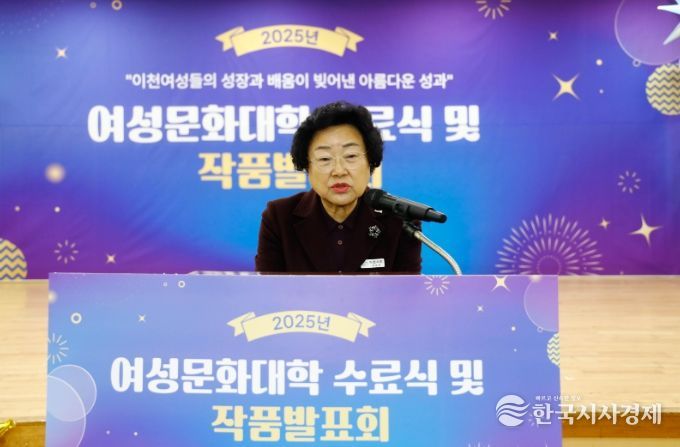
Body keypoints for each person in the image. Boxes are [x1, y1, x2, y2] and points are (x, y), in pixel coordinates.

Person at [255, 101, 421, 273]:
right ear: (307, 167)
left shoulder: (398, 219)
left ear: (370, 163)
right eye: (324, 159)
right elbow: (268, 287)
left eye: (351, 156)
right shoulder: (279, 218)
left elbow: (406, 289)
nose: (339, 171)